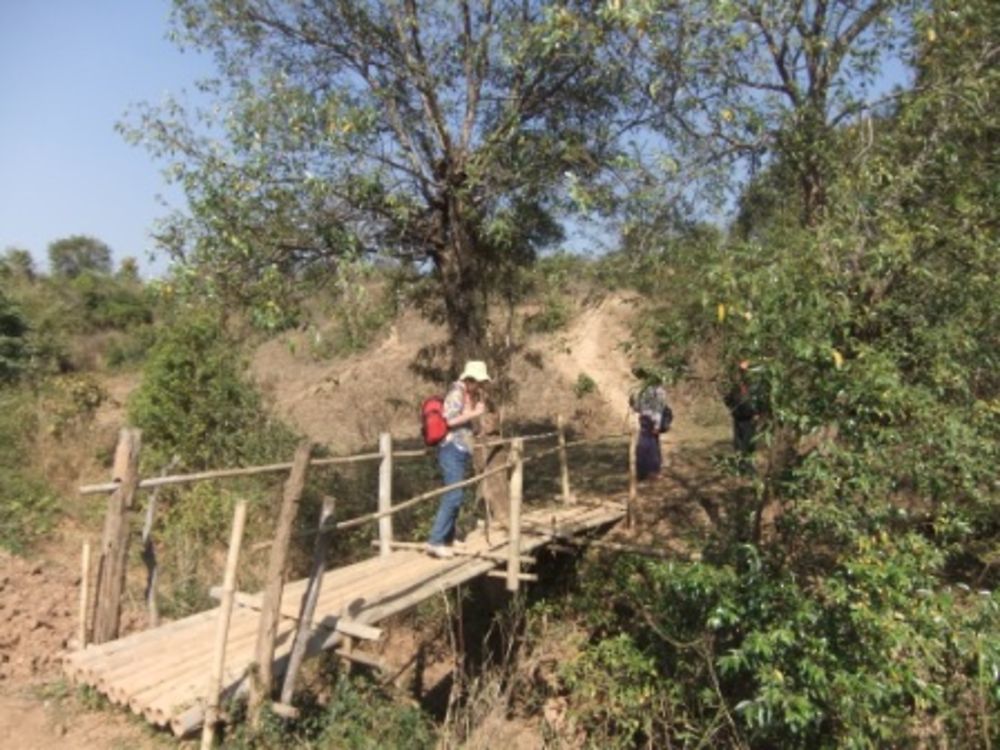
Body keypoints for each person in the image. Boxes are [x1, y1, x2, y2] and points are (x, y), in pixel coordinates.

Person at [426, 360, 491, 558]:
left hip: (461, 449)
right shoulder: (456, 393)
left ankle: (448, 538)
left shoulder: (467, 394)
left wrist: (476, 423)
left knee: (457, 495)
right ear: (470, 379)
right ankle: (435, 541)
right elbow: (450, 419)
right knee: (453, 496)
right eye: (479, 382)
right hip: (451, 449)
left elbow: (464, 423)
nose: (480, 386)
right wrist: (475, 413)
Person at [629, 370, 672, 481]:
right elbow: (657, 409)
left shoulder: (644, 391)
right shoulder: (658, 391)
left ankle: (644, 472)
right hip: (651, 420)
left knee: (645, 445)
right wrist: (657, 425)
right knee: (651, 446)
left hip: (646, 419)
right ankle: (651, 472)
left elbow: (637, 407)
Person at [724, 359, 759, 471]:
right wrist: (732, 408)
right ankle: (740, 465)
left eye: (745, 372)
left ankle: (749, 466)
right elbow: (728, 399)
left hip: (749, 419)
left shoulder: (754, 387)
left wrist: (757, 413)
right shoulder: (736, 387)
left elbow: (759, 402)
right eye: (741, 372)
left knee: (748, 443)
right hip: (738, 418)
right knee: (738, 443)